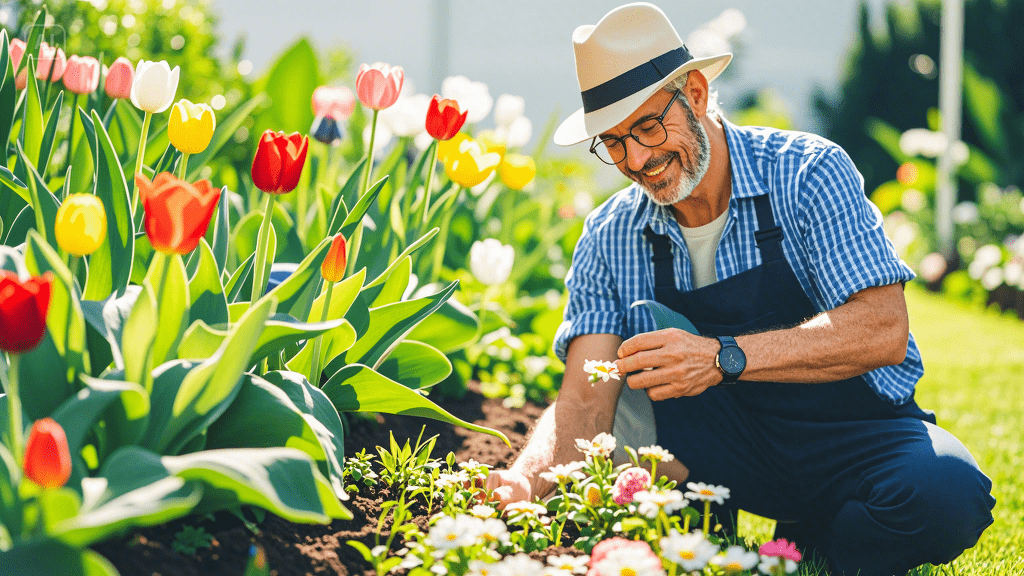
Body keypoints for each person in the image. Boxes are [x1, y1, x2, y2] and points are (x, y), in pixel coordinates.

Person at [485, 3, 996, 575]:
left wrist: (723, 357)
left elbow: (882, 331)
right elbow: (585, 396)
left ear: (697, 94)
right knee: (627, 442)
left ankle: (820, 536)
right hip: (718, 453)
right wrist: (524, 484)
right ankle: (704, 523)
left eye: (649, 127)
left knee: (949, 495)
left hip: (850, 434)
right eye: (612, 142)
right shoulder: (611, 235)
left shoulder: (808, 174)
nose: (636, 160)